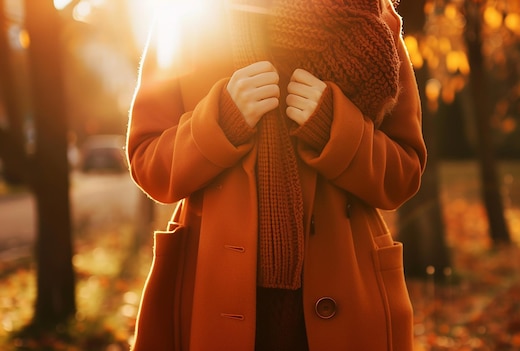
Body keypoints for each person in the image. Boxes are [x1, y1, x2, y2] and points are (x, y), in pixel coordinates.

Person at [126, 0, 427, 350]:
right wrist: (221, 121)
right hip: (210, 297)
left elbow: (405, 171)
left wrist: (335, 129)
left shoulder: (371, 16)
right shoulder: (188, 16)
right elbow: (146, 159)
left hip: (346, 297)